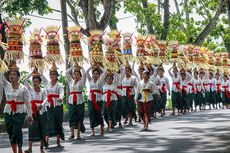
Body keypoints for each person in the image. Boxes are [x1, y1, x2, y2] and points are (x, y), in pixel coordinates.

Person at [0, 62, 33, 153]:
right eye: (10, 74)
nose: (11, 76)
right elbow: (1, 77)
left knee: (17, 130)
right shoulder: (7, 85)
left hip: (19, 111)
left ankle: (20, 147)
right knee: (10, 131)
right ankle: (14, 151)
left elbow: (27, 102)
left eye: (14, 74)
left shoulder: (23, 88)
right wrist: (1, 65)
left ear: (18, 77)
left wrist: (30, 115)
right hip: (8, 111)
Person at [23, 68, 48, 153]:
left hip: (41, 111)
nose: (35, 83)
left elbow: (46, 99)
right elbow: (25, 80)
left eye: (37, 81)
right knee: (32, 128)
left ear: (40, 82)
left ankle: (41, 148)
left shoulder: (43, 90)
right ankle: (30, 148)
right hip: (32, 112)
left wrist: (42, 105)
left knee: (42, 129)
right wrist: (32, 72)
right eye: (33, 81)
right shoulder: (29, 89)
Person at [41, 62, 64, 147]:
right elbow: (42, 76)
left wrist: (61, 98)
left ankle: (58, 140)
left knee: (57, 122)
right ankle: (46, 140)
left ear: (57, 76)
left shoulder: (60, 84)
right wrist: (38, 66)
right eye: (50, 74)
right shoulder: (47, 84)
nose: (52, 76)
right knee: (49, 122)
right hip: (49, 105)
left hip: (57, 105)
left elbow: (61, 93)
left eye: (53, 74)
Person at [66, 64, 86, 139]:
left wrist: (81, 67)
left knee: (79, 117)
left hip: (79, 101)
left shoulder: (82, 82)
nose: (76, 75)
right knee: (71, 117)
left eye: (78, 74)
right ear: (73, 75)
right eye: (75, 74)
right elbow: (67, 73)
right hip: (71, 101)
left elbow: (84, 74)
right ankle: (72, 134)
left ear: (80, 76)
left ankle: (78, 134)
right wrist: (73, 67)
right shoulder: (70, 81)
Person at [86, 64, 106, 136]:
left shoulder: (100, 81)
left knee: (98, 113)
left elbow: (105, 72)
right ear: (92, 75)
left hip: (99, 99)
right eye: (94, 73)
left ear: (99, 75)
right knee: (91, 113)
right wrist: (91, 66)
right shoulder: (90, 80)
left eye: (97, 73)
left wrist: (99, 66)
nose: (95, 75)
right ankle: (93, 131)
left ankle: (102, 128)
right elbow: (86, 72)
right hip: (91, 99)